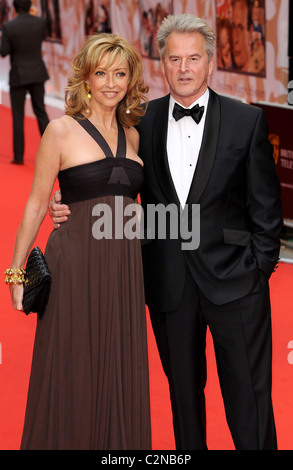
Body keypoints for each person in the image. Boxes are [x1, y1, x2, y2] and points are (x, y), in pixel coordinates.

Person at [49, 14, 283, 450]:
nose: (184, 68)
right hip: (168, 286)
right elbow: (110, 182)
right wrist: (66, 203)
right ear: (161, 63)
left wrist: (257, 271)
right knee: (183, 405)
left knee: (249, 402)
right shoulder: (140, 123)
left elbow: (267, 211)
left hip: (236, 285)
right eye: (174, 58)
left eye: (194, 58)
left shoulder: (244, 121)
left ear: (210, 63)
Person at [6, 33, 151, 450]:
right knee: (71, 363)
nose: (111, 83)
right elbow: (36, 205)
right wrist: (15, 274)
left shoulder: (134, 134)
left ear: (130, 79)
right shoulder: (61, 131)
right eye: (101, 73)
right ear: (85, 78)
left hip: (122, 269)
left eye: (120, 73)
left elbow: (129, 203)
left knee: (117, 365)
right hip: (74, 265)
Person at [0, 0, 49, 165]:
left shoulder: (9, 26)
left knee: (18, 116)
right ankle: (52, 150)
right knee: (41, 112)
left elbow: (4, 52)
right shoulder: (40, 23)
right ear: (30, 7)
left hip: (19, 75)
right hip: (37, 73)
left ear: (15, 8)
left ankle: (19, 156)